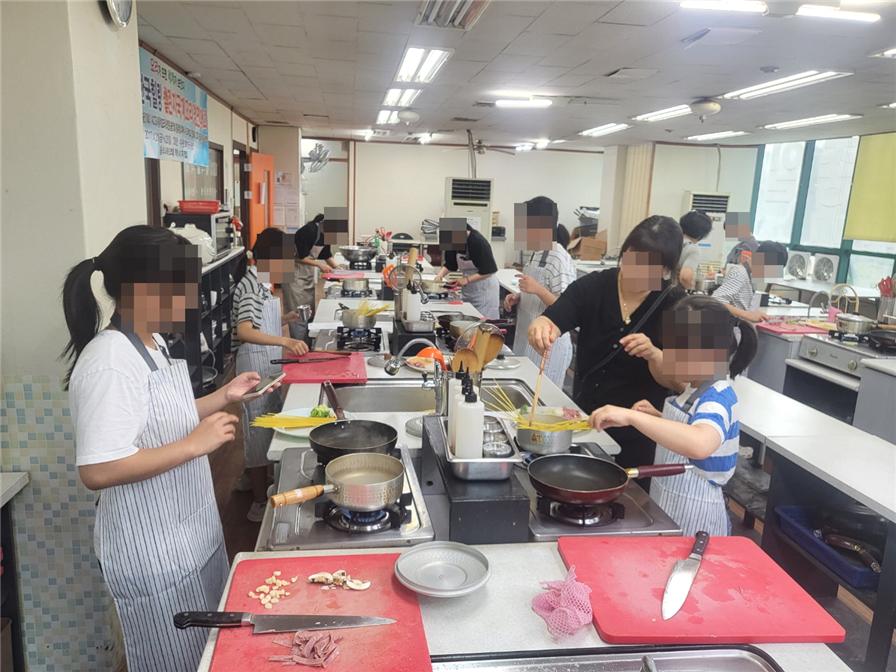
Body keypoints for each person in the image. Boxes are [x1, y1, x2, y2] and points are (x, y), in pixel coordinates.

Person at [63, 225, 277, 672]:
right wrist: (193, 446)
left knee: (208, 654)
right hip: (151, 550)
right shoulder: (108, 363)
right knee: (174, 662)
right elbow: (98, 469)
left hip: (188, 531)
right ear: (143, 290)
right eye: (180, 289)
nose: (190, 301)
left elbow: (160, 416)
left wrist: (223, 396)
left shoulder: (152, 343)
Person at [589, 295, 757, 535]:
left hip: (696, 519)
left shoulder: (718, 397)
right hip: (669, 504)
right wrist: (658, 418)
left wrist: (633, 417)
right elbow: (688, 428)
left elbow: (699, 443)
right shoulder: (694, 387)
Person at [528, 216, 685, 470]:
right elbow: (553, 318)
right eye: (632, 260)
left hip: (639, 430)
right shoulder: (595, 286)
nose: (636, 272)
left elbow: (681, 383)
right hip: (586, 421)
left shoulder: (676, 305)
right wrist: (542, 327)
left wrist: (654, 355)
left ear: (666, 270)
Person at [233, 228, 309, 521]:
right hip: (254, 364)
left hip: (266, 363)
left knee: (264, 427)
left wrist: (285, 320)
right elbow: (245, 330)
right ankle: (256, 504)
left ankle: (248, 481)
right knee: (257, 434)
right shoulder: (251, 286)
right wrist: (285, 340)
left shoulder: (261, 283)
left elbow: (260, 321)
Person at [504, 197, 576, 386]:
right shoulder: (536, 253)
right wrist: (519, 297)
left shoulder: (559, 258)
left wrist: (537, 289)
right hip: (528, 337)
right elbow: (535, 291)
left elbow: (568, 309)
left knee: (541, 400)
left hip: (549, 344)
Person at [283, 213, 339, 341]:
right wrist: (320, 265)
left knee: (308, 310)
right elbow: (301, 257)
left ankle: (308, 342)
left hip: (306, 273)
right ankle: (298, 343)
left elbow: (326, 255)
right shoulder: (308, 231)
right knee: (297, 312)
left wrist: (338, 268)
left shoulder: (325, 235)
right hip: (293, 273)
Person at [435, 222, 500, 319]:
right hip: (469, 289)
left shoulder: (478, 241)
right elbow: (450, 264)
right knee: (469, 319)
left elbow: (488, 270)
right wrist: (439, 275)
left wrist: (467, 280)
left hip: (484, 289)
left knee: (482, 323)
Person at [712, 240, 788, 323]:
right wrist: (748, 315)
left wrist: (753, 313)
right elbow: (716, 300)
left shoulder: (749, 275)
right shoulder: (739, 273)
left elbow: (740, 304)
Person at [677, 210, 713, 290]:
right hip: (672, 295)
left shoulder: (669, 241)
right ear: (702, 234)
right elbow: (685, 277)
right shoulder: (692, 249)